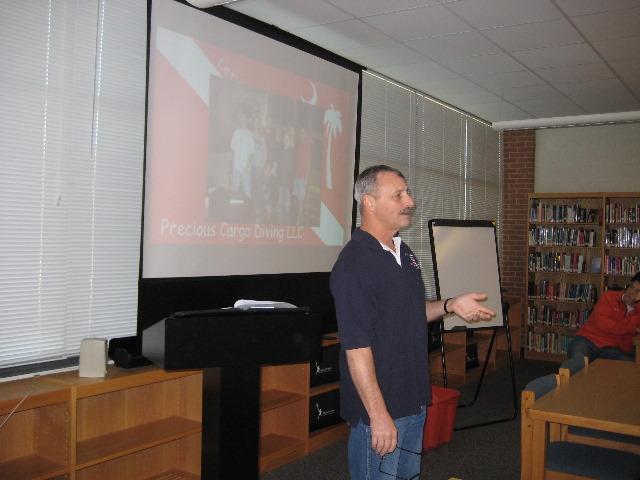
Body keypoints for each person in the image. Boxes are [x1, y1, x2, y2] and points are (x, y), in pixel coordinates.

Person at [330, 165, 495, 480]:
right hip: (381, 410)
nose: (411, 201)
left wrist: (450, 305)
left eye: (407, 192)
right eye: (398, 195)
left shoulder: (403, 252)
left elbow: (409, 312)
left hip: (413, 399)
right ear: (370, 202)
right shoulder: (353, 265)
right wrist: (378, 415)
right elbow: (356, 349)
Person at [561, 272, 640, 372]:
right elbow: (604, 325)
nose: (631, 292)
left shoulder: (638, 311)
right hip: (587, 340)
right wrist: (632, 329)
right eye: (631, 287)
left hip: (611, 349)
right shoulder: (608, 297)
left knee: (630, 367)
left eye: (638, 291)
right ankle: (557, 383)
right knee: (578, 362)